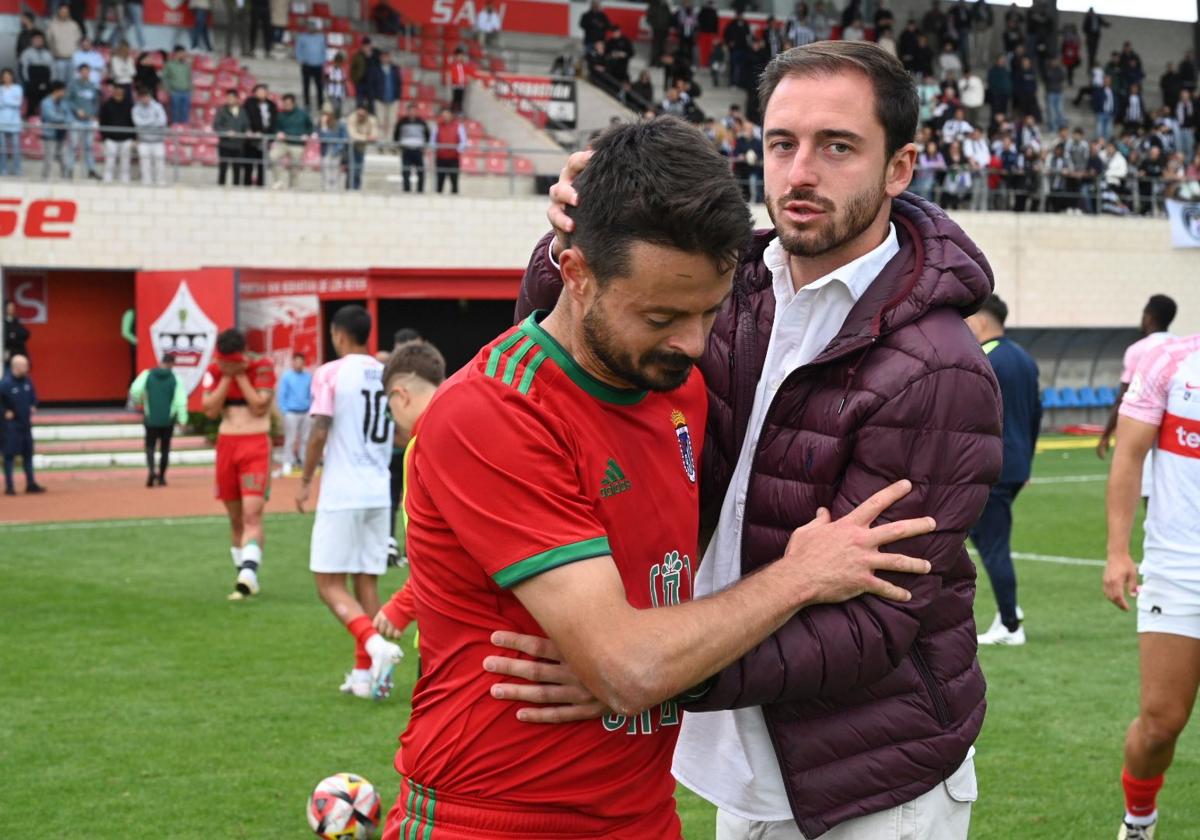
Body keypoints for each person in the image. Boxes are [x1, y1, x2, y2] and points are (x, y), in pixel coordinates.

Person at [380, 116, 936, 840]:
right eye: (662, 316)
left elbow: (659, 602)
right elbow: (627, 669)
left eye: (710, 310)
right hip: (491, 818)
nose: (692, 342)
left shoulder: (679, 386)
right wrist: (800, 576)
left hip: (641, 813)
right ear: (575, 273)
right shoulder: (492, 412)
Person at [511, 41, 1001, 840]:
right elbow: (585, 368)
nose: (800, 173)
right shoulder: (729, 286)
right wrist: (573, 240)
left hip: (872, 783)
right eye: (782, 144)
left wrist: (648, 675)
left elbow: (873, 626)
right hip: (732, 764)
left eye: (837, 147)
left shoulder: (938, 367)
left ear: (901, 167)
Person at [1103, 330, 1200, 840]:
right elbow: (1128, 456)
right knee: (1162, 722)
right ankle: (1139, 818)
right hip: (1180, 568)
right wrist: (1118, 552)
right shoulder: (1171, 359)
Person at [295, 305, 404, 701]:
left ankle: (376, 647)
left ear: (339, 334)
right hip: (379, 490)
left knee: (327, 583)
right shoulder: (386, 371)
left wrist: (305, 480)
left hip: (343, 490)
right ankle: (366, 676)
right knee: (366, 583)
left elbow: (319, 430)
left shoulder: (331, 372)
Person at [962, 295, 1040, 646]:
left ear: (980, 321)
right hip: (1015, 464)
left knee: (992, 547)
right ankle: (1011, 614)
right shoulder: (1024, 358)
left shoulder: (985, 358)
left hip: (990, 467)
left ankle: (1010, 625)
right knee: (981, 537)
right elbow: (1036, 415)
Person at [372, 339, 446, 639]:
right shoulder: (450, 430)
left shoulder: (428, 442)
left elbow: (449, 546)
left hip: (456, 631)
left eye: (389, 410)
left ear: (400, 396)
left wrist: (403, 604)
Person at [201, 328, 276, 600]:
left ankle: (248, 573)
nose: (222, 365)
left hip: (255, 444)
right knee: (235, 520)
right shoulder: (216, 370)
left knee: (251, 514)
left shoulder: (262, 367)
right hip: (227, 445)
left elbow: (259, 405)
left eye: (227, 361)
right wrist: (226, 376)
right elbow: (209, 408)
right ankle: (244, 573)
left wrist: (240, 375)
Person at [1097, 295, 1177, 495]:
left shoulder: (1138, 350)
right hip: (1178, 436)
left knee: (1149, 497)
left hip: (1146, 433)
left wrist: (1106, 434)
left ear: (1149, 317)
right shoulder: (1180, 346)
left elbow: (1123, 396)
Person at [128, 352, 188, 487]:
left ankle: (151, 470)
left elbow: (135, 390)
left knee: (150, 446)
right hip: (168, 420)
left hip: (151, 418)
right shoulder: (175, 378)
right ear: (172, 363)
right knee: (165, 449)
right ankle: (161, 477)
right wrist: (182, 419)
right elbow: (180, 401)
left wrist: (139, 401)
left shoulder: (147, 374)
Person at [1, 355, 45, 496]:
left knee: (28, 454)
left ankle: (31, 483)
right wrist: (4, 412)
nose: (27, 368)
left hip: (26, 424)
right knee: (9, 456)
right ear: (16, 366)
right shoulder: (5, 383)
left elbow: (33, 397)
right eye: (24, 365)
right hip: (11, 427)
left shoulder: (27, 381)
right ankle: (10, 486)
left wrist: (33, 405)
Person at [276, 351, 312, 474]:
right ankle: (288, 462)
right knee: (290, 438)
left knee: (305, 438)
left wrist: (311, 409)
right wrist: (285, 410)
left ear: (303, 363)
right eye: (296, 361)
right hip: (291, 412)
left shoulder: (308, 376)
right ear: (293, 362)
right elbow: (282, 395)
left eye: (301, 361)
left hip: (306, 412)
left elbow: (311, 394)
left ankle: (303, 460)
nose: (298, 363)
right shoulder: (287, 377)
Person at [269, 93, 313, 189]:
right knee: (273, 156)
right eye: (285, 103)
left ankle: (293, 186)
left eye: (289, 103)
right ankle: (278, 181)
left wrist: (307, 135)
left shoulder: (303, 114)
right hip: (283, 143)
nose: (287, 105)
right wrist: (278, 133)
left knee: (295, 166)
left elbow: (310, 127)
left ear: (293, 103)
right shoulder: (280, 115)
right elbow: (276, 128)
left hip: (297, 144)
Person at [65, 63, 100, 180]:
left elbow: (96, 103)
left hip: (88, 121)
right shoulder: (74, 85)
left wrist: (92, 114)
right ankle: (69, 169)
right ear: (80, 72)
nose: (85, 73)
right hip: (76, 120)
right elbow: (67, 101)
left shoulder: (93, 86)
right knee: (73, 145)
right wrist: (76, 110)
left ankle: (91, 169)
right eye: (83, 71)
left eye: (87, 71)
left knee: (89, 146)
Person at [132, 85, 168, 186]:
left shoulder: (158, 106)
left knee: (159, 164)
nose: (145, 99)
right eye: (143, 97)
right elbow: (138, 123)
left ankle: (160, 183)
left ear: (150, 96)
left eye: (146, 96)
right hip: (144, 141)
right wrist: (153, 121)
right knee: (145, 164)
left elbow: (162, 121)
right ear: (139, 98)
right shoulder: (136, 109)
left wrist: (146, 124)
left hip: (158, 141)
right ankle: (146, 183)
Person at [99, 81, 134, 182]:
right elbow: (102, 122)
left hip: (126, 139)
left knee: (125, 163)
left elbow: (133, 122)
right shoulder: (107, 105)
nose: (118, 94)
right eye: (116, 91)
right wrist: (104, 137)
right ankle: (107, 181)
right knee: (109, 162)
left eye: (120, 92)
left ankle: (125, 182)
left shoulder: (129, 105)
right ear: (113, 92)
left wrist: (133, 138)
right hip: (110, 139)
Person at [213, 88, 249, 186]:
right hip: (225, 144)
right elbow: (216, 126)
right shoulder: (221, 111)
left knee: (237, 169)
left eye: (232, 97)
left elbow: (246, 125)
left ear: (237, 99)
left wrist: (248, 131)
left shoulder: (242, 111)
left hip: (238, 144)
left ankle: (236, 189)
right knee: (223, 168)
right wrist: (226, 132)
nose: (230, 99)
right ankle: (220, 187)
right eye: (228, 97)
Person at [244, 83, 277, 187]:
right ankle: (247, 185)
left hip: (265, 138)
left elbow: (273, 122)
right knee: (248, 164)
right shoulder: (249, 103)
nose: (261, 93)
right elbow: (246, 119)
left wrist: (270, 136)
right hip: (251, 139)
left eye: (263, 91)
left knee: (262, 165)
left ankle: (260, 186)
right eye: (258, 91)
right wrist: (250, 130)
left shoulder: (271, 105)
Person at [394, 102, 429, 193]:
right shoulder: (401, 122)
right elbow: (396, 135)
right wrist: (400, 146)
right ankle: (406, 191)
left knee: (421, 172)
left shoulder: (422, 122)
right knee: (406, 172)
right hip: (406, 150)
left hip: (418, 150)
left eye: (414, 111)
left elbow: (427, 135)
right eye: (410, 111)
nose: (412, 113)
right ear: (407, 111)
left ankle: (420, 191)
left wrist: (424, 146)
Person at [39, 81, 71, 180]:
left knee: (64, 160)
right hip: (50, 135)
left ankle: (65, 179)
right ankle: (45, 179)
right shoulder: (46, 102)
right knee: (49, 159)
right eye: (62, 91)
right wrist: (63, 119)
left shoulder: (64, 103)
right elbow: (50, 117)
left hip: (62, 135)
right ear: (56, 91)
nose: (64, 93)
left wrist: (64, 119)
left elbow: (69, 117)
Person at [19, 33, 54, 117]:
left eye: (40, 40)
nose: (38, 42)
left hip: (45, 78)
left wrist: (51, 81)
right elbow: (24, 67)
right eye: (36, 40)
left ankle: (45, 119)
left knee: (45, 101)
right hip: (32, 78)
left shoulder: (47, 53)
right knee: (32, 101)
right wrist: (27, 80)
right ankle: (30, 120)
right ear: (32, 41)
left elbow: (52, 68)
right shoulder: (27, 53)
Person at [294, 19, 326, 112]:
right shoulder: (302, 37)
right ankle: (307, 104)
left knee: (319, 86)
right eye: (310, 26)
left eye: (313, 26)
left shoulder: (321, 37)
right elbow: (298, 49)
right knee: (306, 86)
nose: (311, 28)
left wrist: (322, 61)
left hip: (318, 65)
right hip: (307, 65)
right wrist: (301, 60)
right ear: (307, 28)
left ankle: (320, 104)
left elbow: (324, 50)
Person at [433, 108, 466, 195]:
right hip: (440, 158)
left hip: (453, 158)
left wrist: (456, 150)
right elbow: (433, 141)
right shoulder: (437, 126)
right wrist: (438, 149)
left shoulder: (459, 127)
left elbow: (463, 142)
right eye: (443, 115)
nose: (445, 117)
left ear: (451, 115)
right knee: (440, 181)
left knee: (454, 181)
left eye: (447, 115)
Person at [346, 103, 377, 190]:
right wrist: (366, 137)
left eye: (362, 115)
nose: (360, 117)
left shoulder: (371, 120)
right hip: (350, 147)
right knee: (352, 170)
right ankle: (350, 189)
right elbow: (352, 135)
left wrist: (363, 138)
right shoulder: (352, 118)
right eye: (358, 115)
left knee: (358, 170)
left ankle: (356, 189)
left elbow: (374, 135)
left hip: (361, 148)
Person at [48, 6, 82, 83]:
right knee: (59, 84)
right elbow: (49, 41)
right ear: (58, 12)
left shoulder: (74, 25)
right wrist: (55, 52)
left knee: (71, 83)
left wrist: (74, 51)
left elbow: (78, 40)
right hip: (58, 60)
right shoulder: (53, 25)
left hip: (71, 59)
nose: (64, 14)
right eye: (62, 12)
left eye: (66, 12)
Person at [374, 51, 401, 145]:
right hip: (379, 99)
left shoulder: (395, 69)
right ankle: (381, 141)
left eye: (387, 56)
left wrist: (397, 96)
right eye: (384, 57)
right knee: (380, 121)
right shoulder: (376, 69)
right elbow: (372, 84)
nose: (385, 59)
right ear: (381, 58)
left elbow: (399, 83)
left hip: (393, 99)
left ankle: (389, 142)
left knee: (392, 122)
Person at [317, 105, 346, 191]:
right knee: (325, 172)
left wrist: (338, 147)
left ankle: (335, 191)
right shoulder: (321, 126)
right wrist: (323, 125)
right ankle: (326, 190)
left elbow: (344, 138)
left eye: (326, 114)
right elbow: (322, 138)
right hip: (325, 151)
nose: (325, 116)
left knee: (335, 173)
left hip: (336, 151)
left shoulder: (340, 125)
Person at [0, 69, 22, 178]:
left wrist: (4, 100)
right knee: (2, 149)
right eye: (5, 76)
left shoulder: (18, 88)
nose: (7, 78)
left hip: (14, 123)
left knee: (16, 149)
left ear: (12, 77)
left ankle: (17, 171)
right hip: (2, 123)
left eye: (9, 76)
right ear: (2, 78)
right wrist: (10, 100)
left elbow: (18, 103)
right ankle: (3, 170)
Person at [163, 46, 192, 126]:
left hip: (186, 92)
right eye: (181, 53)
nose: (183, 55)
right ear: (176, 53)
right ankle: (175, 131)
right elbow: (164, 78)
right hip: (175, 92)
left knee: (185, 112)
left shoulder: (186, 65)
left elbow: (189, 78)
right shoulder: (170, 65)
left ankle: (185, 131)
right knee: (175, 112)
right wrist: (168, 90)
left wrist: (190, 90)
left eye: (184, 53)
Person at [3, 301, 30, 368]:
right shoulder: (3, 323)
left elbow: (26, 334)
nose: (11, 309)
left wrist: (14, 335)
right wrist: (14, 336)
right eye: (9, 308)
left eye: (12, 307)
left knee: (22, 374)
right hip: (8, 356)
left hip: (20, 354)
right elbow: (7, 339)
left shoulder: (16, 321)